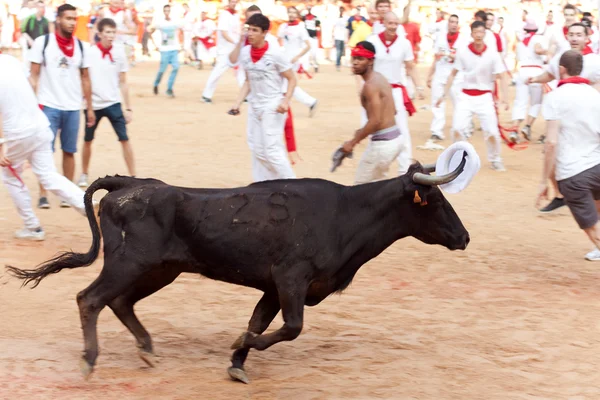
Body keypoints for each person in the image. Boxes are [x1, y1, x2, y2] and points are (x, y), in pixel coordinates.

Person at [0, 54, 87, 241]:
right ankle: (85, 203)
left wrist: (1, 144)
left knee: (9, 175)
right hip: (39, 125)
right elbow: (31, 85)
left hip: (17, 133)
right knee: (49, 175)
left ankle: (32, 227)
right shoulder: (11, 60)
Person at [528, 22, 600, 213]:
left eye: (579, 34)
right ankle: (561, 195)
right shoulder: (562, 57)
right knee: (550, 151)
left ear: (587, 38)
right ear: (567, 37)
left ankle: (589, 198)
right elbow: (549, 74)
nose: (575, 38)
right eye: (572, 34)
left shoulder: (595, 60)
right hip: (564, 114)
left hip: (589, 116)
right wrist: (535, 79)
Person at [28, 3, 95, 209]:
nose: (72, 22)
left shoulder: (81, 46)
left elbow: (86, 78)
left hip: (73, 107)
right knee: (44, 152)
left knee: (69, 151)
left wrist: (90, 107)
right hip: (48, 105)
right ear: (58, 19)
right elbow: (34, 76)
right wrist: (31, 106)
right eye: (68, 18)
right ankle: (42, 194)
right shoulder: (43, 43)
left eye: (74, 19)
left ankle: (67, 195)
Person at [536, 50, 600, 261]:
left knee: (593, 231)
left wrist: (544, 181)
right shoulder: (594, 95)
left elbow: (551, 142)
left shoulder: (554, 97)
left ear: (561, 69)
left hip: (573, 174)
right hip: (597, 166)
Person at [228, 13, 297, 182]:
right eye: (248, 30)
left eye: (254, 30)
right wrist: (238, 103)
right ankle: (271, 185)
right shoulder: (245, 53)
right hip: (255, 106)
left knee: (272, 150)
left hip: (272, 106)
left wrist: (285, 100)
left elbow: (292, 78)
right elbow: (248, 81)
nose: (250, 34)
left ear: (265, 32)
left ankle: (294, 187)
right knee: (258, 150)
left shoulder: (275, 54)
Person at [436, 20, 508, 171]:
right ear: (472, 34)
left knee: (492, 132)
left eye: (481, 32)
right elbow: (453, 74)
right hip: (466, 96)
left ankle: (495, 159)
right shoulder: (463, 51)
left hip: (484, 97)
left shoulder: (492, 53)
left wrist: (505, 99)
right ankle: (459, 158)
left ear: (485, 34)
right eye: (476, 32)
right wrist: (443, 94)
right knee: (457, 128)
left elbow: (502, 75)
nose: (479, 35)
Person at [77, 18, 135, 188]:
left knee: (124, 139)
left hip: (113, 103)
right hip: (93, 104)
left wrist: (128, 107)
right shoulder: (90, 53)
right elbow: (84, 78)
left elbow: (123, 81)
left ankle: (133, 176)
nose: (111, 36)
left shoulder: (119, 53)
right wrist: (87, 104)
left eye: (113, 32)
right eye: (108, 32)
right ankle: (84, 173)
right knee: (88, 140)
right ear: (100, 34)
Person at [366, 11, 423, 174]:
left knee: (402, 129)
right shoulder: (373, 41)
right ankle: (376, 169)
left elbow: (410, 66)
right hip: (376, 92)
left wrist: (419, 86)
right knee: (375, 128)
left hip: (395, 92)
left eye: (396, 24)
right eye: (390, 23)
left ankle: (405, 170)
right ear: (383, 23)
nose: (393, 27)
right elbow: (365, 66)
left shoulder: (404, 43)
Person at [339, 41, 402, 184]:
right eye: (353, 58)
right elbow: (393, 111)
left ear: (371, 61)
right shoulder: (380, 78)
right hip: (394, 140)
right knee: (377, 189)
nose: (355, 62)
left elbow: (375, 121)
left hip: (383, 145)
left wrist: (352, 142)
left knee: (359, 190)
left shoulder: (370, 86)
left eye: (360, 59)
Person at [428, 14, 467, 142]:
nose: (454, 24)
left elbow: (463, 58)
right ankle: (436, 130)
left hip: (456, 74)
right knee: (437, 100)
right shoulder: (440, 37)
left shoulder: (463, 39)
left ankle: (461, 128)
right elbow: (435, 56)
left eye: (456, 22)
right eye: (451, 22)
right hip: (440, 71)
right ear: (448, 23)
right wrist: (430, 75)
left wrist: (448, 54)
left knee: (459, 102)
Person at [277, 6, 318, 117]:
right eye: (289, 12)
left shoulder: (300, 28)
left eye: (293, 13)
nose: (291, 15)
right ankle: (310, 102)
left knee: (286, 83)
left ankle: (285, 106)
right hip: (284, 58)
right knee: (287, 84)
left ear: (297, 15)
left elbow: (308, 46)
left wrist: (297, 57)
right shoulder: (283, 26)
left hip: (292, 60)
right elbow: (277, 40)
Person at [511, 19, 548, 141]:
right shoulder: (537, 38)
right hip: (535, 72)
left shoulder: (521, 42)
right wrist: (549, 51)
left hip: (522, 72)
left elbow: (517, 59)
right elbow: (538, 50)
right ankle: (527, 126)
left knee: (519, 102)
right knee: (536, 102)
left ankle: (514, 130)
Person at [201, 0, 240, 103]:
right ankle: (206, 95)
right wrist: (236, 42)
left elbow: (236, 32)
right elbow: (223, 33)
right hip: (225, 50)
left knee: (241, 71)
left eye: (236, 1)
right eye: (232, 1)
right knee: (217, 72)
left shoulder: (236, 15)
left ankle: (246, 96)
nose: (234, 3)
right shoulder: (224, 15)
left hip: (235, 49)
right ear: (228, 2)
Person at [149, 4, 182, 98]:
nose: (167, 13)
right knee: (162, 70)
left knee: (176, 67)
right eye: (165, 11)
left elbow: (183, 28)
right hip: (164, 50)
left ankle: (169, 88)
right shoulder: (160, 22)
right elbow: (150, 30)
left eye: (168, 11)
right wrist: (155, 44)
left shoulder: (175, 22)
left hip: (174, 48)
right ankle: (156, 83)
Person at [20, 0, 50, 72]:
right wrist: (30, 40)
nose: (42, 9)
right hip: (30, 46)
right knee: (28, 66)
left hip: (41, 48)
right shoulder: (30, 18)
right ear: (36, 7)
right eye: (40, 7)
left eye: (43, 7)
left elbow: (47, 34)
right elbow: (23, 31)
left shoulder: (45, 20)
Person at [302, 6, 320, 73]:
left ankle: (315, 65)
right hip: (307, 37)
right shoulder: (304, 17)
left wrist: (317, 34)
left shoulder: (315, 18)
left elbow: (318, 26)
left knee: (314, 53)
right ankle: (305, 67)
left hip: (313, 37)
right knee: (306, 53)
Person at [333, 6, 347, 71]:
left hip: (339, 36)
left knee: (340, 51)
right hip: (340, 36)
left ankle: (338, 62)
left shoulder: (343, 18)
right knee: (339, 51)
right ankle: (338, 63)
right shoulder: (341, 18)